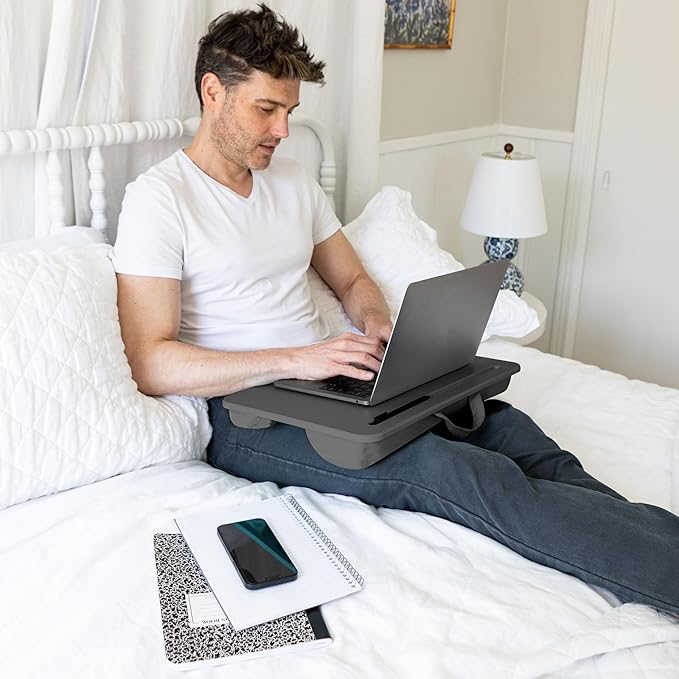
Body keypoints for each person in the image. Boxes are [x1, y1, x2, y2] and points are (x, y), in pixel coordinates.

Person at [112, 3, 679, 616]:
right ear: (213, 92)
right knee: (458, 472)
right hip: (250, 415)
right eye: (267, 109)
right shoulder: (159, 201)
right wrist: (300, 358)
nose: (282, 130)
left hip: (333, 382)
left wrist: (379, 325)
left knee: (511, 430)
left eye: (290, 112)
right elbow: (151, 362)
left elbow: (352, 278)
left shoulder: (293, 181)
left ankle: (651, 554)